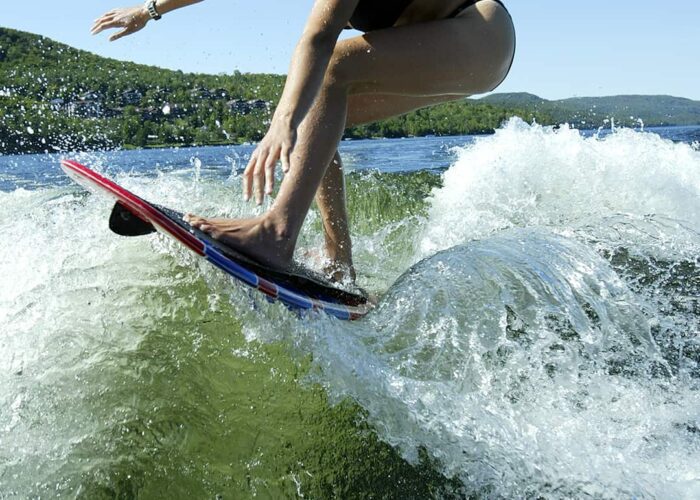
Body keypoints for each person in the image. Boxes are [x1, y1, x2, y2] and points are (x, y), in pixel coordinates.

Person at [92, 0, 515, 283]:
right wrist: (149, 9)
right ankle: (339, 259)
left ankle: (276, 232)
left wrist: (283, 123)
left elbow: (319, 35)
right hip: (442, 43)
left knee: (327, 71)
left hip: (479, 35)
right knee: (320, 102)